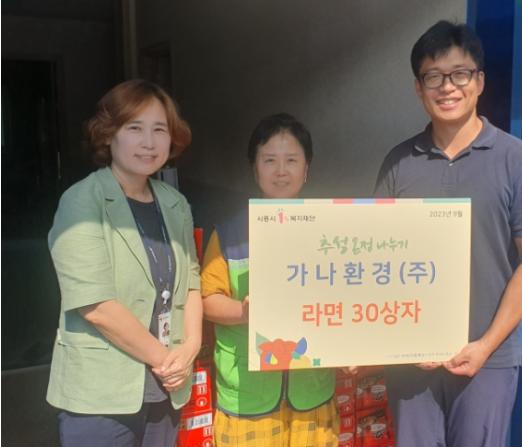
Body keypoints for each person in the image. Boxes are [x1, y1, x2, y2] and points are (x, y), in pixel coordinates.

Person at [374, 21, 522, 446]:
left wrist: (485, 345)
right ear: (418, 88)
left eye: (459, 74)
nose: (447, 87)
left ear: (479, 82)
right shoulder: (399, 162)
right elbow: (375, 257)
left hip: (487, 359)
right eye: (433, 76)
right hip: (411, 359)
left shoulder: (518, 161)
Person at [47, 79, 203, 446]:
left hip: (166, 388)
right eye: (135, 128)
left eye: (159, 130)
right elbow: (96, 305)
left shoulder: (175, 204)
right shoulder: (82, 201)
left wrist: (190, 348)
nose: (149, 142)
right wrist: (166, 360)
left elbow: (192, 283)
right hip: (101, 396)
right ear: (109, 134)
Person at [201, 113, 338, 446]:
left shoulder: (331, 230)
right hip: (248, 395)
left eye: (291, 160)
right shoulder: (229, 233)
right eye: (270, 160)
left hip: (312, 390)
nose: (281, 171)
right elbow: (207, 300)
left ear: (306, 168)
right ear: (254, 168)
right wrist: (245, 312)